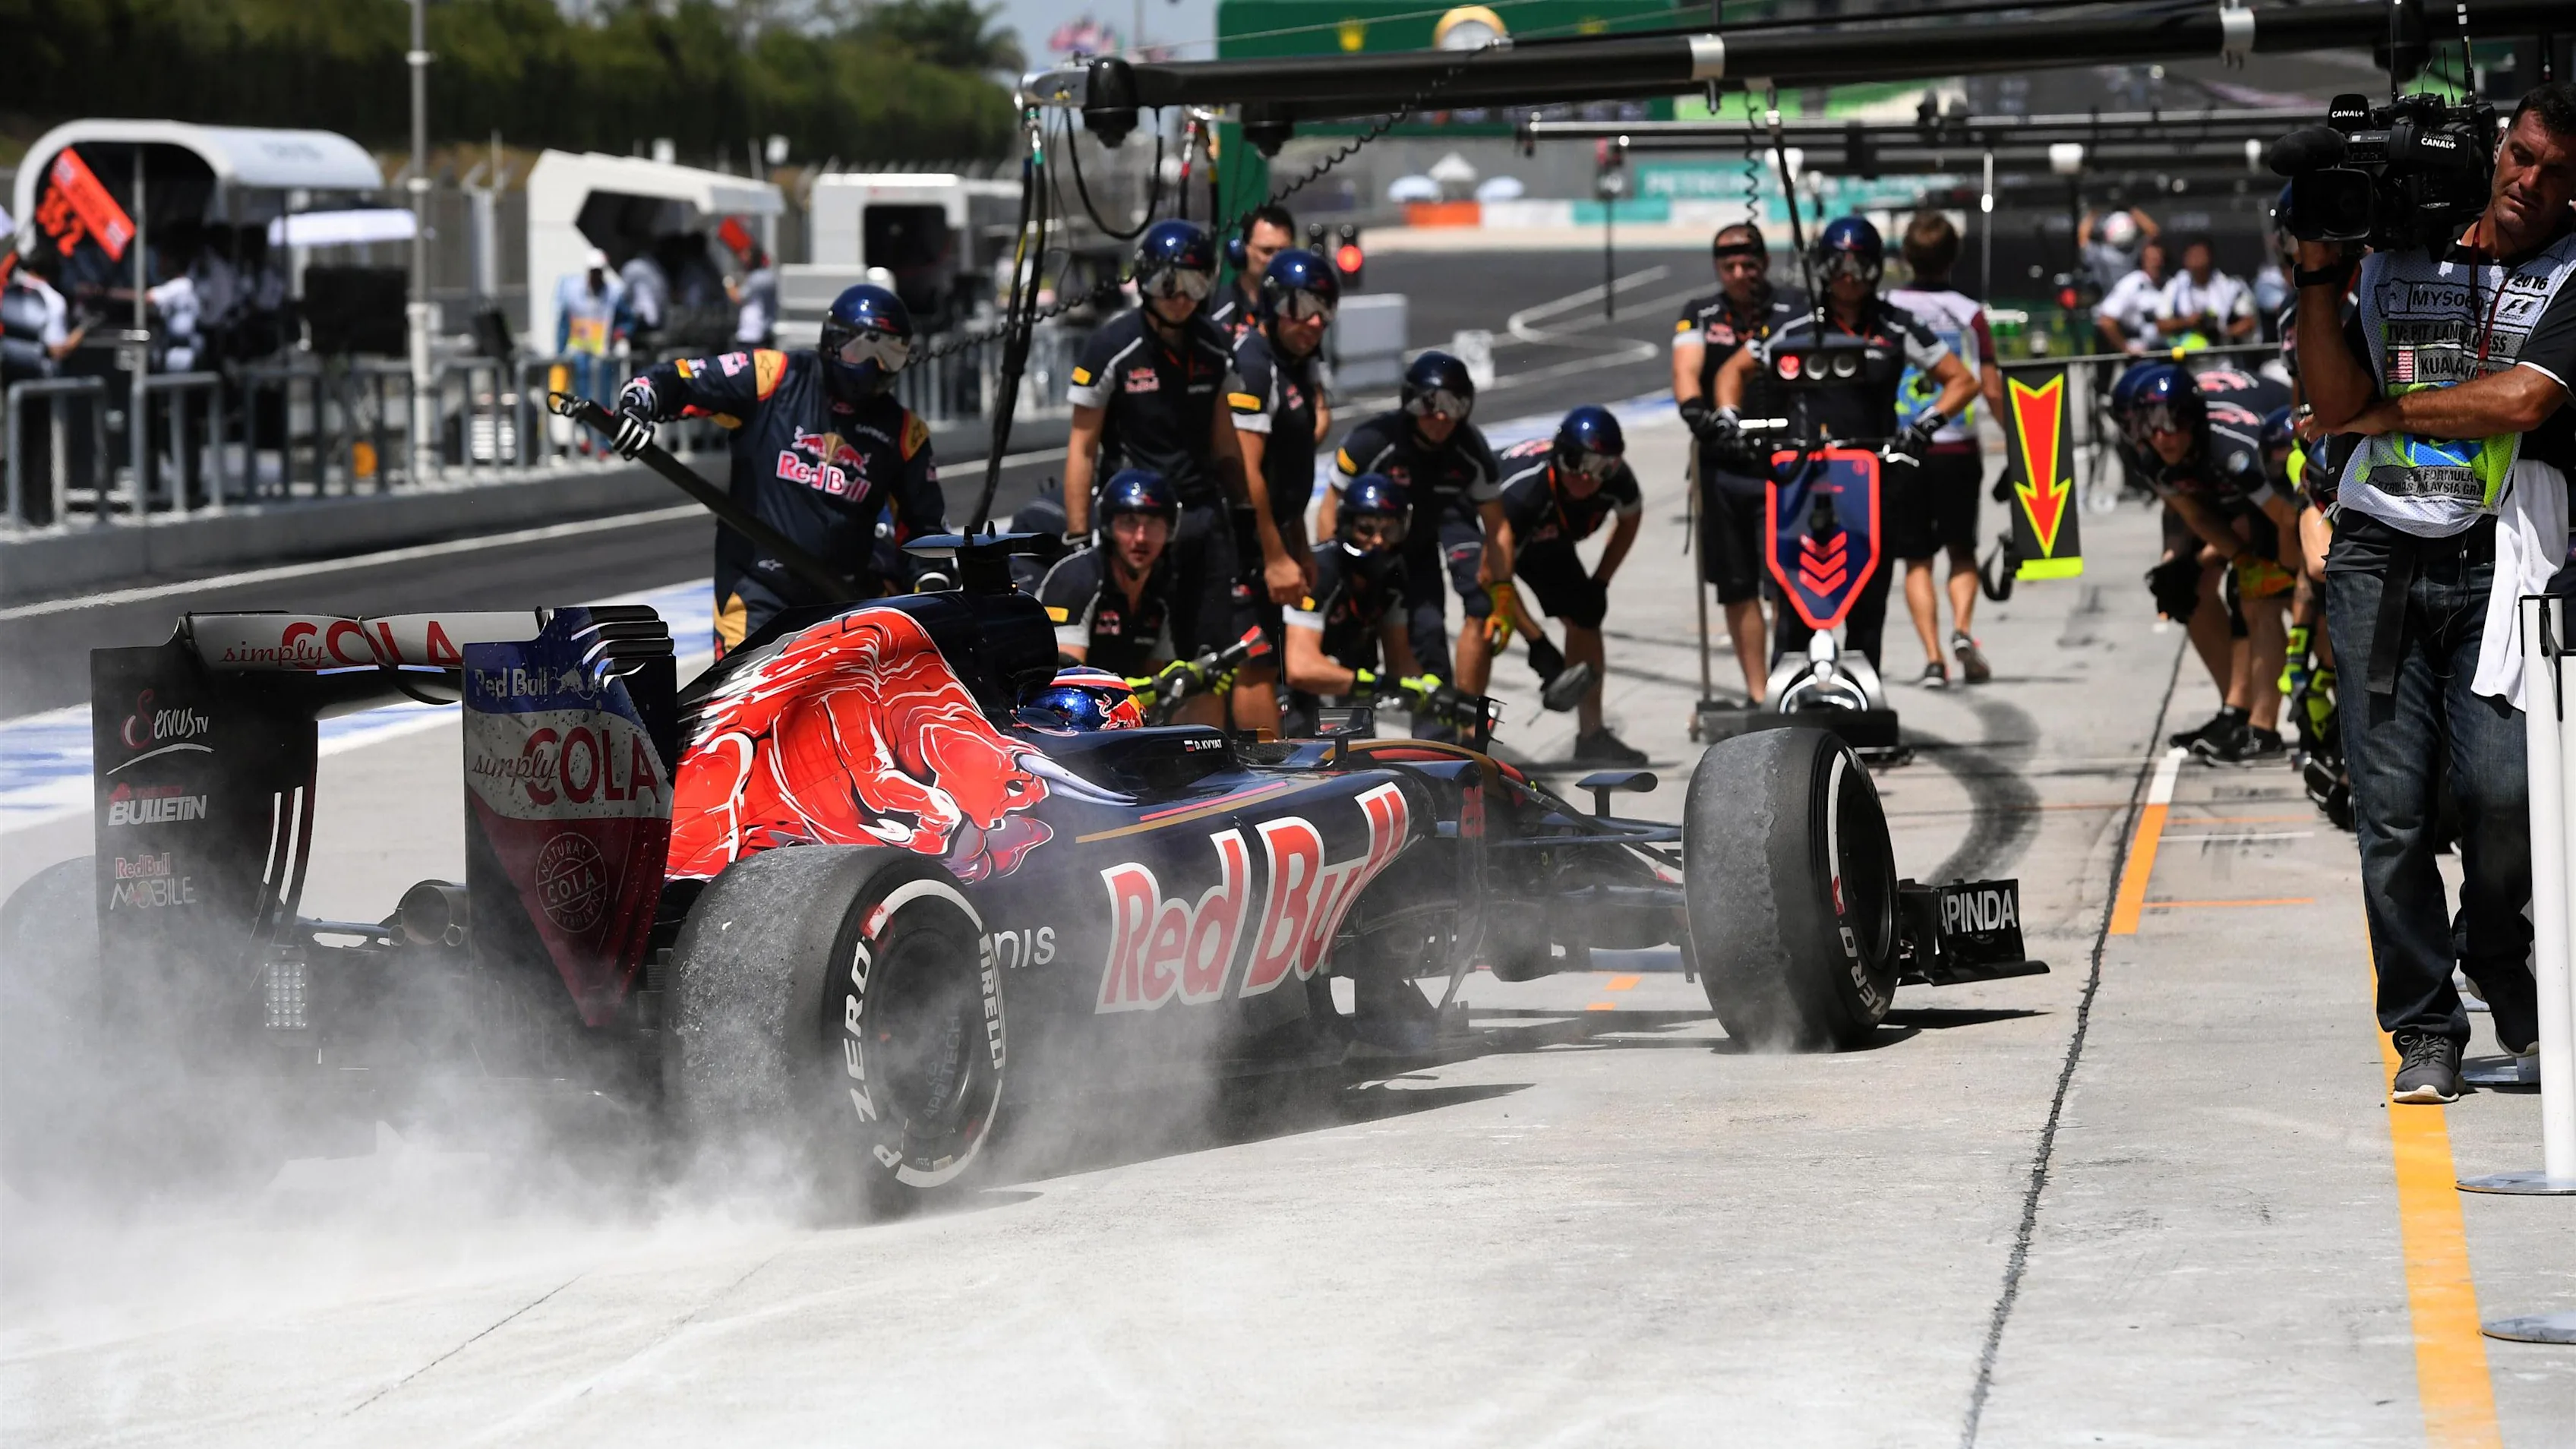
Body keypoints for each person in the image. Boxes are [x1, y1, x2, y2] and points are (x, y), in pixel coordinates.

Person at [2295, 81, 2576, 1103]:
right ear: (2495, 149)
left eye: (2553, 171)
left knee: (2508, 795)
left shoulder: (2570, 270)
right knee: (2392, 815)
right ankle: (2424, 1027)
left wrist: (2388, 414)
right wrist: (2317, 272)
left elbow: (2525, 398)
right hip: (2378, 554)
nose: (2528, 180)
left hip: (2505, 556)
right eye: (2520, 155)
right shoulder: (2388, 246)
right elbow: (2331, 402)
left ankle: (2492, 947)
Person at [608, 283, 946, 654]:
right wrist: (640, 401)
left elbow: (924, 531)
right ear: (834, 341)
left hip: (844, 603)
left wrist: (933, 582)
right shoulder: (774, 376)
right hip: (757, 592)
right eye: (864, 350)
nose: (875, 367)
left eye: (891, 355)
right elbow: (683, 380)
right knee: (741, 692)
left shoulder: (905, 433)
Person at [1709, 216, 1978, 672]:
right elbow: (1733, 371)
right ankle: (1789, 692)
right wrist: (1731, 417)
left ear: (1876, 268)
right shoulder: (1795, 326)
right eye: (1838, 265)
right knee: (1797, 604)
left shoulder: (1897, 325)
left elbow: (1962, 381)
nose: (1848, 277)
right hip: (1803, 481)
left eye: (1859, 266)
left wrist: (1923, 427)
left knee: (1868, 604)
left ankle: (1862, 691)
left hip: (1874, 481)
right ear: (1822, 268)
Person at [1063, 219, 1292, 732]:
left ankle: (1199, 767)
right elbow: (1081, 447)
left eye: (1194, 282)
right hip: (1134, 528)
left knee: (1207, 663)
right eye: (1168, 281)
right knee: (1128, 661)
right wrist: (1078, 538)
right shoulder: (1111, 346)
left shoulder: (1215, 345)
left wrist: (1247, 525)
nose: (1181, 296)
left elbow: (1226, 446)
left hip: (1202, 525)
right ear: (1144, 280)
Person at [1315, 350, 1509, 734]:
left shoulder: (1470, 451)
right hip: (1362, 560)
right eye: (1430, 404)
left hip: (1417, 558)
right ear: (1409, 401)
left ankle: (1438, 751)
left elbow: (1497, 523)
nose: (1442, 417)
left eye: (1455, 405)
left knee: (1430, 640)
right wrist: (1336, 574)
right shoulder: (1370, 442)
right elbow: (1329, 507)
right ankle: (1349, 750)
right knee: (1354, 657)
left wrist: (1503, 591)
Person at [2125, 363, 2303, 762]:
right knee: (2188, 588)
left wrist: (2285, 570)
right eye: (2149, 425)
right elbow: (2194, 515)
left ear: (2193, 419)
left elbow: (2287, 517)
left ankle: (2264, 725)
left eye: (2172, 422)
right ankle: (2237, 711)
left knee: (2263, 599)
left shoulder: (2233, 451)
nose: (2161, 435)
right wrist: (2229, 558)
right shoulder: (2149, 453)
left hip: (2280, 491)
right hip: (2240, 498)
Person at [1675, 221, 1807, 702]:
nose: (1738, 274)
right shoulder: (1700, 313)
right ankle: (1757, 693)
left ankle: (1786, 682)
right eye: (1728, 266)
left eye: (1748, 264)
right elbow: (1686, 373)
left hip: (1785, 465)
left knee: (1787, 581)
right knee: (1736, 585)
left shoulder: (1795, 306)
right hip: (1723, 467)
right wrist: (1702, 418)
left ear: (1764, 263)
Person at [1886, 211, 2007, 688]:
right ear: (1954, 256)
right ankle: (1962, 630)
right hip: (1956, 446)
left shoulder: (1887, 307)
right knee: (1962, 550)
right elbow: (1990, 387)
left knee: (1916, 558)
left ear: (1906, 256)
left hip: (1903, 447)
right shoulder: (1968, 311)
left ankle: (1934, 659)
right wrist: (2017, 441)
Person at [1492, 406, 1646, 763]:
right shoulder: (1522, 493)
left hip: (1547, 536)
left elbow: (1630, 518)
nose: (1589, 478)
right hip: (1488, 532)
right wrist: (1536, 641)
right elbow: (1493, 576)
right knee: (1485, 621)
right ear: (1559, 457)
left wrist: (1600, 582)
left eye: (1603, 467)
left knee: (1585, 614)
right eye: (1579, 463)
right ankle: (1466, 740)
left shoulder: (1618, 480)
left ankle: (1592, 735)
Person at [1229, 245, 1335, 652]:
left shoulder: (1299, 362)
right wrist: (1275, 557)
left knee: (1272, 664)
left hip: (1277, 537)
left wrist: (1300, 545)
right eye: (1302, 307)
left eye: (1324, 309)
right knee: (1254, 667)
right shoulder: (1256, 366)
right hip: (1243, 547)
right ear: (1274, 304)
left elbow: (1288, 467)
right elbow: (1247, 471)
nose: (1315, 321)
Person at [1280, 472, 1433, 737]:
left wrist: (1434, 692)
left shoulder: (1394, 577)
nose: (1378, 540)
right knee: (1303, 745)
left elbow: (1399, 660)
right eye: (1366, 529)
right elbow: (1300, 668)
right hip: (1289, 689)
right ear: (1347, 525)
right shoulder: (1322, 572)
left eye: (1390, 530)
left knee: (1360, 751)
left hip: (1348, 687)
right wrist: (1373, 684)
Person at [1039, 468, 1186, 683]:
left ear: (1170, 530)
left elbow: (1155, 681)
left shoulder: (1163, 588)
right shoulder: (1076, 578)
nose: (1141, 537)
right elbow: (1064, 682)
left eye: (1153, 523)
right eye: (1129, 522)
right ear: (1108, 527)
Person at [556, 248, 627, 449]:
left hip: (602, 357)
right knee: (581, 400)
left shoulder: (613, 294)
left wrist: (620, 333)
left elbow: (627, 319)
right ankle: (590, 439)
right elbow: (564, 324)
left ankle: (602, 444)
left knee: (602, 400)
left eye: (599, 272)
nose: (596, 276)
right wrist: (561, 353)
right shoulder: (573, 292)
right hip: (579, 356)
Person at [1211, 203, 1296, 344]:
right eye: (1267, 251)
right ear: (1242, 251)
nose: (1276, 261)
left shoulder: (1301, 311)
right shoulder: (1217, 308)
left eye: (1284, 252)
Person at [2158, 234, 2257, 348]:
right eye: (2192, 255)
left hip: (2223, 352)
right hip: (2186, 353)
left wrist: (2223, 333)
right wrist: (2188, 322)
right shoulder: (2175, 286)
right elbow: (2161, 325)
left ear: (2210, 257)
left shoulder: (2230, 285)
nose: (2196, 260)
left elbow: (2249, 323)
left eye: (2200, 254)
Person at [2095, 238, 2171, 355]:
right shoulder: (2131, 284)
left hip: (2169, 349)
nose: (2156, 264)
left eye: (2159, 259)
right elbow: (2106, 321)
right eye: (2152, 259)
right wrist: (2125, 348)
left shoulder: (2172, 284)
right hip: (2141, 353)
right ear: (2143, 260)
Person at [2080, 206, 2159, 296]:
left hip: (2109, 300)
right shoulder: (2137, 252)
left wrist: (2093, 213)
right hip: (2136, 298)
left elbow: (2083, 240)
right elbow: (2153, 231)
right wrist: (2132, 210)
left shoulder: (2102, 254)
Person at [733, 243, 778, 349]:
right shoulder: (769, 276)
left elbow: (738, 297)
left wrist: (729, 284)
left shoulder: (755, 278)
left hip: (752, 333)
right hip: (766, 329)